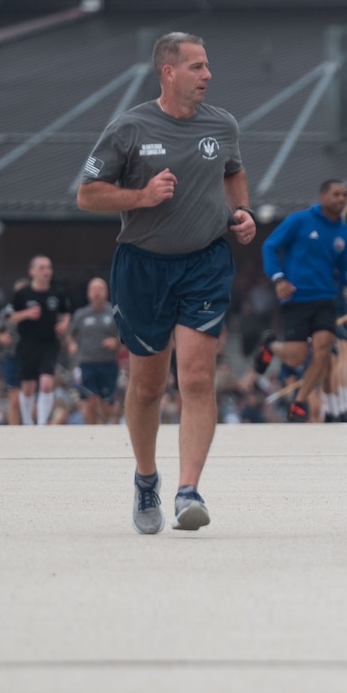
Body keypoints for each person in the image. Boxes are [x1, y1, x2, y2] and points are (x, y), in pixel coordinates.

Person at [78, 30, 257, 533]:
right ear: (169, 72)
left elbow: (233, 173)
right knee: (148, 385)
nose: (208, 75)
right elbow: (87, 195)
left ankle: (188, 491)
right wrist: (141, 197)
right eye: (197, 67)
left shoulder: (222, 124)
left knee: (197, 377)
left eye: (207, 65)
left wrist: (240, 212)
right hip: (142, 266)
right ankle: (145, 478)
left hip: (205, 263)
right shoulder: (129, 127)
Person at [263, 179, 347, 422]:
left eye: (344, 195)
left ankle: (299, 402)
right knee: (297, 356)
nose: (342, 199)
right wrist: (279, 279)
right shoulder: (299, 221)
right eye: (336, 194)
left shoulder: (345, 234)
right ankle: (270, 346)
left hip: (325, 298)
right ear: (322, 196)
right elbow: (270, 246)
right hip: (296, 297)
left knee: (323, 349)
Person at [5, 256, 73, 426]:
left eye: (48, 267)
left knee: (46, 383)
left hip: (49, 342)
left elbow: (66, 313)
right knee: (28, 386)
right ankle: (28, 421)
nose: (46, 271)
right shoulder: (22, 294)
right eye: (41, 268)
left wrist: (64, 323)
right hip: (27, 344)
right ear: (32, 271)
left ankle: (42, 424)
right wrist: (26, 314)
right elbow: (10, 317)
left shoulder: (58, 293)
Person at [68, 277, 123, 425]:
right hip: (87, 364)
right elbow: (70, 335)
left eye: (100, 289)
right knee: (90, 401)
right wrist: (72, 344)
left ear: (106, 292)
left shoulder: (114, 313)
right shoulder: (81, 314)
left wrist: (116, 341)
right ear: (88, 293)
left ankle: (105, 427)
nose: (97, 292)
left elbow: (126, 335)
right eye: (94, 289)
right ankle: (91, 431)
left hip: (109, 364)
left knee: (107, 405)